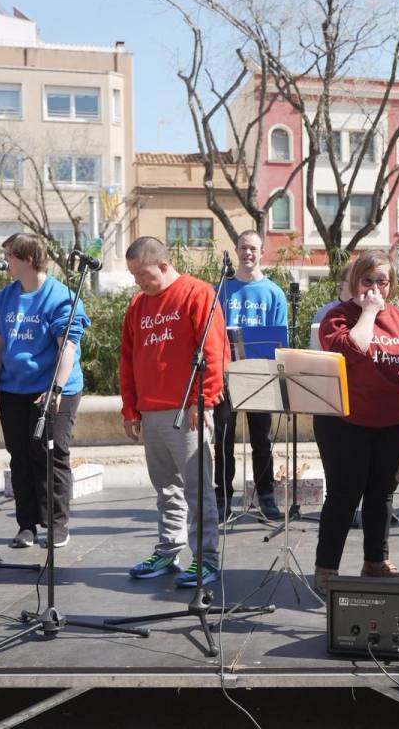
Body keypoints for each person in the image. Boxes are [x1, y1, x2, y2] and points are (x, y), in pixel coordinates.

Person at [313, 251, 399, 595]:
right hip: (345, 422)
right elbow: (355, 348)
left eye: (383, 281)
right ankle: (326, 568)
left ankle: (375, 562)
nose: (376, 288)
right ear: (354, 282)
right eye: (368, 281)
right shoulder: (337, 317)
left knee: (382, 495)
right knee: (343, 495)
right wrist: (368, 312)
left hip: (393, 421)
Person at [121, 237, 227, 587]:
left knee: (197, 488)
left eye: (143, 275)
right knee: (165, 487)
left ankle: (206, 559)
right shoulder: (138, 305)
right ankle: (169, 548)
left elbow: (213, 351)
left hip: (188, 409)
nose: (139, 283)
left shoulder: (197, 294)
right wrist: (130, 408)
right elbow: (128, 360)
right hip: (151, 411)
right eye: (135, 277)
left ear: (164, 266)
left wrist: (204, 399)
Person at [0, 234, 90, 550]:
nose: (5, 262)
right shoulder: (4, 297)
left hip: (56, 388)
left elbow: (67, 347)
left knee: (51, 455)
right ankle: (26, 524)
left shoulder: (61, 297)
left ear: (28, 259)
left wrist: (55, 388)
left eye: (10, 256)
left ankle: (57, 525)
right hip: (13, 389)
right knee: (20, 456)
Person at [214, 230, 288, 520]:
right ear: (236, 250)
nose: (248, 254)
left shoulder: (274, 293)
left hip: (259, 373)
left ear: (262, 252)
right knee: (223, 438)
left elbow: (278, 339)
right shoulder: (221, 289)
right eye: (243, 248)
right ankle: (223, 494)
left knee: (262, 438)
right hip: (225, 374)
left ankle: (265, 493)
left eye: (253, 249)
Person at [308, 264, 352, 350]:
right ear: (342, 283)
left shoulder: (365, 311)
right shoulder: (324, 313)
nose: (356, 285)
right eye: (353, 281)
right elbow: (315, 349)